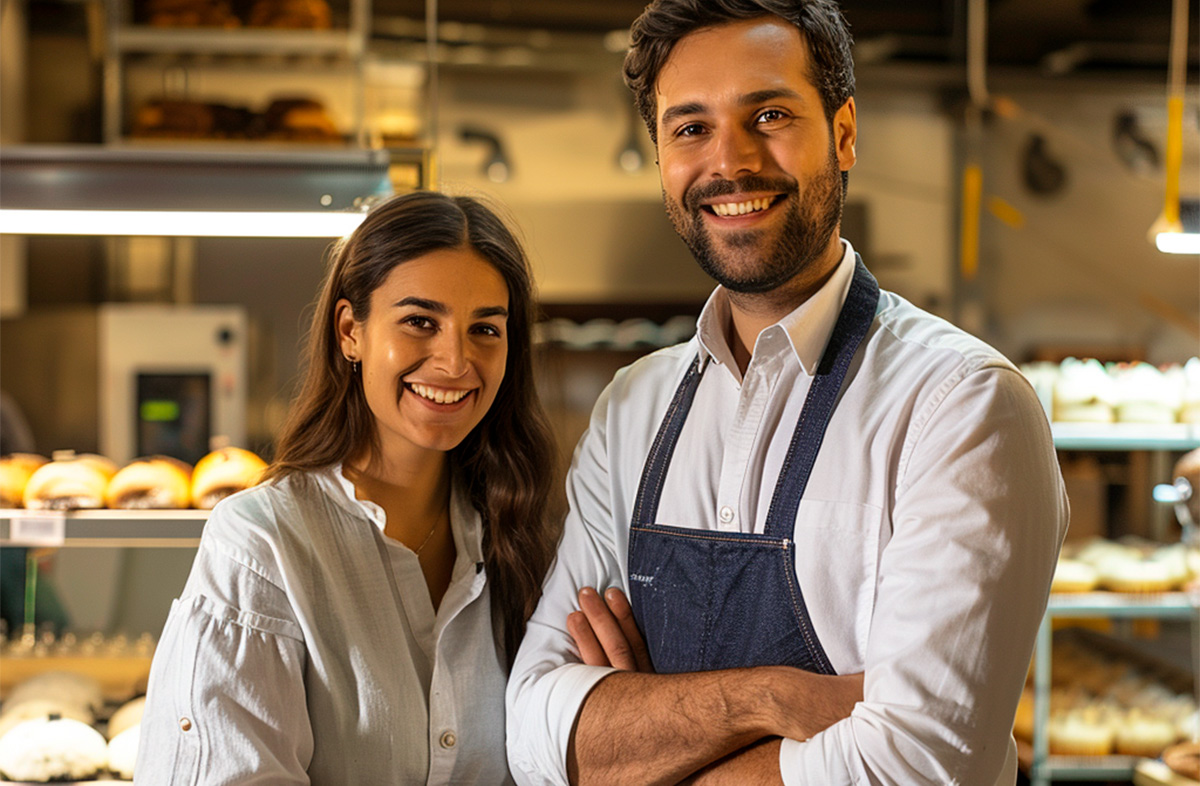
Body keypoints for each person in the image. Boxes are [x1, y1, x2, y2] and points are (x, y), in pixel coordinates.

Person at [505, 1, 1069, 784]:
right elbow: (535, 736)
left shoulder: (961, 405)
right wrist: (772, 699)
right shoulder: (633, 408)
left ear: (843, 134)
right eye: (691, 127)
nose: (730, 161)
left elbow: (915, 764)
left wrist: (642, 736)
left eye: (768, 114)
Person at [137, 191, 558, 783]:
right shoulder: (261, 546)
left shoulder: (527, 538)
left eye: (485, 328)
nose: (456, 360)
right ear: (349, 332)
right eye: (420, 322)